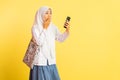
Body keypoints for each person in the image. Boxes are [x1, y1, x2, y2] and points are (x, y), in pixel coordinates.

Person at [29, 6, 70, 80]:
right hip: (39, 63)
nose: (49, 15)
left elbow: (60, 39)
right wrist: (45, 28)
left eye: (50, 13)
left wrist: (67, 31)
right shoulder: (35, 28)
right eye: (46, 13)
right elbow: (39, 42)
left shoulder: (53, 27)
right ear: (41, 14)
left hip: (51, 61)